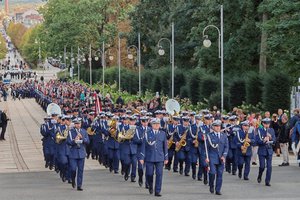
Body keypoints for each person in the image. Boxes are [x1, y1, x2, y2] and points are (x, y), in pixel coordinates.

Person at [140, 118, 168, 197]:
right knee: (149, 174)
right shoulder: (147, 133)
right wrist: (142, 157)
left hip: (160, 157)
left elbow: (165, 147)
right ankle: (150, 185)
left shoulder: (162, 133)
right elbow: (143, 146)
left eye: (158, 124)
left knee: (159, 174)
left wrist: (166, 158)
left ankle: (157, 191)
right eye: (155, 124)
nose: (157, 125)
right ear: (152, 125)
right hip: (149, 157)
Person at [206, 119, 228, 195]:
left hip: (221, 158)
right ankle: (211, 185)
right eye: (216, 126)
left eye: (219, 126)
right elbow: (206, 148)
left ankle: (218, 189)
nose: (218, 127)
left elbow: (226, 147)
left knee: (220, 174)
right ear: (213, 127)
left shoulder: (224, 135)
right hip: (212, 157)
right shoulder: (209, 136)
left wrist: (224, 156)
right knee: (212, 173)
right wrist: (206, 157)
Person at [67, 118, 90, 191]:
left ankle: (79, 185)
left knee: (80, 170)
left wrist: (82, 138)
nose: (78, 125)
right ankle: (73, 179)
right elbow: (69, 142)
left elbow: (88, 141)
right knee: (73, 169)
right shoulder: (71, 132)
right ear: (74, 124)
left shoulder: (84, 131)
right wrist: (75, 140)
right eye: (76, 123)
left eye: (79, 123)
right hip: (73, 153)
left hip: (81, 153)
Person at [256, 118, 276, 186]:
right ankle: (260, 175)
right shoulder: (259, 130)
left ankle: (267, 181)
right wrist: (263, 141)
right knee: (262, 166)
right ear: (263, 124)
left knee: (269, 167)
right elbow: (257, 141)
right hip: (262, 150)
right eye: (266, 123)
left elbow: (275, 140)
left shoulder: (271, 130)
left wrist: (270, 138)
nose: (267, 125)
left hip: (269, 150)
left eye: (268, 123)